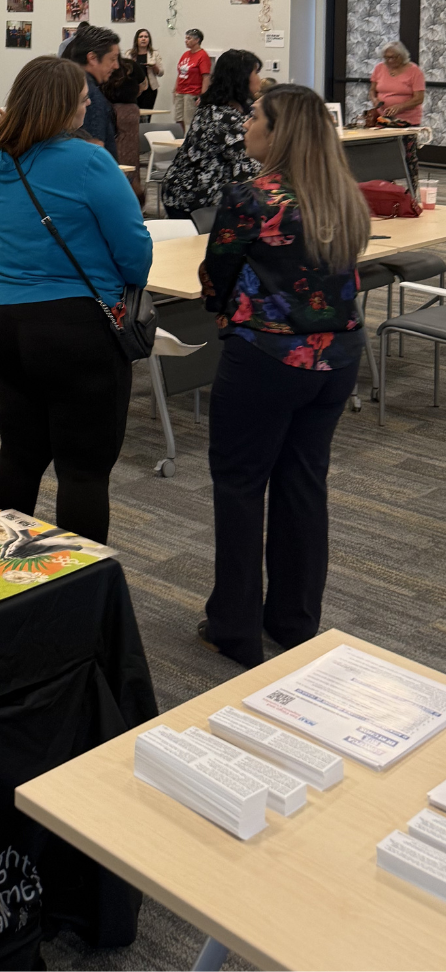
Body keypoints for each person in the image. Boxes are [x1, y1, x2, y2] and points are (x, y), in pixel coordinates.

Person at [197, 85, 370, 668]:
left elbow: (217, 272)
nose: (246, 124)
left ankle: (234, 628)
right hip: (338, 361)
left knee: (241, 486)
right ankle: (295, 622)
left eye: (254, 118)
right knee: (303, 485)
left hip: (267, 360)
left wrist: (222, 303)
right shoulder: (342, 196)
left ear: (277, 133)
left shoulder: (253, 197)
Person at [0, 55, 153, 543]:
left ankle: (2, 569)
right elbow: (134, 251)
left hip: (7, 320)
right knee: (83, 470)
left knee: (18, 453)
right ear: (59, 108)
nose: (85, 109)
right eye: (79, 102)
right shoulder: (90, 161)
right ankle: (80, 592)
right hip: (78, 325)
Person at [162, 49, 262, 219]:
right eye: (256, 73)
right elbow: (248, 166)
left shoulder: (231, 108)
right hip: (193, 198)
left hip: (205, 195)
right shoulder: (222, 117)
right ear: (242, 78)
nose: (260, 79)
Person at [369, 41, 425, 188]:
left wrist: (400, 106)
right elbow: (372, 90)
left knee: (408, 155)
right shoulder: (379, 68)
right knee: (384, 155)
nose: (390, 61)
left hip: (407, 120)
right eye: (387, 58)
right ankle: (387, 188)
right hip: (383, 120)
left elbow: (419, 98)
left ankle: (412, 190)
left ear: (402, 57)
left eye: (393, 57)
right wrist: (375, 101)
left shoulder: (414, 71)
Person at [65, 24, 122, 162]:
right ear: (92, 58)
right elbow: (94, 151)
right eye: (112, 59)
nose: (116, 66)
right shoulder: (90, 97)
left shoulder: (64, 87)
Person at [102, 56, 146, 200]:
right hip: (124, 108)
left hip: (116, 107)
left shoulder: (126, 66)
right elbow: (143, 85)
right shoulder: (129, 66)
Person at [173, 29, 211, 131]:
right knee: (178, 118)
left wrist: (203, 95)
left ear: (197, 40)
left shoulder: (202, 55)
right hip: (181, 91)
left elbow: (206, 77)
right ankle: (179, 140)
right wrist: (175, 89)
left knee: (189, 120)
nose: (186, 41)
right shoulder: (185, 54)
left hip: (192, 92)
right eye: (186, 38)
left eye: (189, 38)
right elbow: (180, 72)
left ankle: (188, 141)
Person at [127, 29, 164, 111]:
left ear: (149, 40)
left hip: (150, 89)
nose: (143, 39)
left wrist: (154, 66)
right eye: (141, 37)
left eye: (146, 37)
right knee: (134, 114)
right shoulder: (129, 54)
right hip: (134, 89)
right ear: (137, 39)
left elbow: (161, 72)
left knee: (147, 115)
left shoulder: (154, 54)